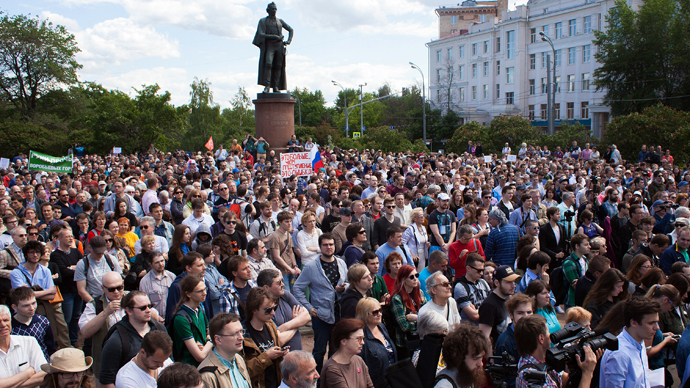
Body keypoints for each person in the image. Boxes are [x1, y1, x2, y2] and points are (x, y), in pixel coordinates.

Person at [293, 233, 347, 374]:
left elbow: (348, 283)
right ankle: (315, 378)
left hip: (338, 313)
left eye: (331, 244)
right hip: (321, 315)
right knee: (319, 350)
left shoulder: (341, 263)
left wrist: (343, 287)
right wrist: (309, 308)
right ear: (320, 247)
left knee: (336, 349)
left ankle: (331, 376)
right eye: (325, 245)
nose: (328, 247)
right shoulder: (311, 267)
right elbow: (297, 288)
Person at [100, 290, 166, 387]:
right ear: (129, 311)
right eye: (142, 308)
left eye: (149, 306)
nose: (148, 310)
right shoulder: (116, 341)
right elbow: (106, 382)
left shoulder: (160, 329)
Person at [516, 314, 598, 388]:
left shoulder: (533, 359)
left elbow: (561, 380)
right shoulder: (532, 378)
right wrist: (587, 373)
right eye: (548, 332)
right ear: (541, 339)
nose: (550, 336)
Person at [600, 297, 661, 388]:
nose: (657, 327)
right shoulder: (619, 354)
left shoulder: (640, 342)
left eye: (656, 322)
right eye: (651, 323)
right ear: (634, 323)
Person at [243, 287, 293, 388]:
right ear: (254, 310)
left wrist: (281, 354)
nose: (273, 313)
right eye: (268, 310)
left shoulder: (270, 325)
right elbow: (242, 371)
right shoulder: (242, 335)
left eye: (274, 308)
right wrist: (266, 357)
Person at [258, 269, 310, 351]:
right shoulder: (263, 309)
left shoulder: (284, 295)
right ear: (266, 287)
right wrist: (296, 324)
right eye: (278, 283)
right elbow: (279, 340)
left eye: (282, 281)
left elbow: (307, 316)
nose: (282, 284)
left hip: (297, 354)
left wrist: (283, 327)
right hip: (282, 358)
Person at [198, 312, 251, 388]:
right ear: (218, 339)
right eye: (234, 334)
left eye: (241, 332)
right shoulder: (207, 375)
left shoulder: (238, 359)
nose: (241, 337)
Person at [0, 304, 47, 387]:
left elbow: (44, 375)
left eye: (5, 320)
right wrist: (27, 373)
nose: (3, 325)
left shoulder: (30, 342)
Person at [170, 275, 213, 367]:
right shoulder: (181, 319)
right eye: (200, 291)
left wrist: (206, 344)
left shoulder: (200, 310)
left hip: (203, 365)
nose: (204, 293)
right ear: (188, 294)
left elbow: (208, 334)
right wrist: (212, 341)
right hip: (188, 368)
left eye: (205, 289)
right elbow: (199, 356)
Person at [320, 318, 374, 388]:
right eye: (358, 339)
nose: (363, 343)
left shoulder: (359, 361)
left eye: (363, 339)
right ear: (343, 341)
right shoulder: (332, 370)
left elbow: (370, 386)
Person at [357, 297, 397, 388]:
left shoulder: (381, 327)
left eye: (380, 310)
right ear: (364, 315)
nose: (379, 314)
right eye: (375, 312)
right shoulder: (360, 336)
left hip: (391, 380)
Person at [433, 323, 490, 388]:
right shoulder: (444, 385)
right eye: (475, 358)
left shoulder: (466, 376)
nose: (480, 364)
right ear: (458, 357)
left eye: (481, 358)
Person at [253, 2, 293, 93]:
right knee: (268, 64)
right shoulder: (263, 21)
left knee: (278, 66)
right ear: (268, 11)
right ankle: (267, 86)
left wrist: (288, 41)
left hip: (279, 46)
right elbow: (261, 34)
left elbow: (291, 29)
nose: (274, 11)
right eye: (272, 9)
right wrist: (273, 37)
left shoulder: (280, 21)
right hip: (270, 46)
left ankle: (275, 86)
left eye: (275, 9)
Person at [478, 265, 518, 352]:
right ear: (497, 283)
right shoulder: (489, 305)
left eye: (513, 282)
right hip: (498, 353)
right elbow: (484, 337)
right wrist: (492, 360)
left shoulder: (508, 297)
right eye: (508, 282)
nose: (513, 285)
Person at [9, 286, 55, 360]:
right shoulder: (8, 326)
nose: (32, 308)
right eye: (26, 305)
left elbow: (51, 347)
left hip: (43, 364)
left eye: (33, 303)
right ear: (14, 307)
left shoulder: (43, 321)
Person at [390, 264, 426, 357]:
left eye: (416, 275)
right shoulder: (397, 298)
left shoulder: (420, 294)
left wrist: (417, 318)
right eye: (411, 277)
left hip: (421, 340)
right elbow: (404, 326)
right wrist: (422, 322)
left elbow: (428, 317)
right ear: (403, 279)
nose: (415, 279)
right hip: (405, 344)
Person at [494, 293, 533, 379]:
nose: (526, 317)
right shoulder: (504, 343)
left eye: (529, 312)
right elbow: (504, 378)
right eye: (520, 313)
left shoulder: (535, 335)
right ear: (511, 315)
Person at [454, 253, 491, 324]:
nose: (481, 273)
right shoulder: (460, 286)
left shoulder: (483, 282)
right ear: (468, 268)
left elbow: (493, 306)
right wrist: (486, 307)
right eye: (478, 270)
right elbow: (474, 316)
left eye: (482, 270)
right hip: (469, 329)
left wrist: (478, 310)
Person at [139, 252, 176, 321]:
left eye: (162, 261)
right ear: (151, 264)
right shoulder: (145, 281)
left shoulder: (172, 276)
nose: (161, 264)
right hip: (156, 320)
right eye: (157, 262)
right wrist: (156, 317)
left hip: (172, 317)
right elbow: (144, 304)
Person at [219, 255, 257, 321]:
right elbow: (228, 321)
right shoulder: (227, 294)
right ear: (234, 273)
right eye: (244, 269)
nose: (249, 270)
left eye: (248, 267)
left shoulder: (253, 285)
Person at [267, 211, 299, 288]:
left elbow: (291, 251)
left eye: (290, 221)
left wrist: (294, 266)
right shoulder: (275, 236)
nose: (289, 224)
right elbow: (276, 257)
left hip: (291, 269)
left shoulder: (288, 234)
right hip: (281, 271)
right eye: (286, 221)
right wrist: (290, 269)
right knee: (285, 293)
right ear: (280, 223)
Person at [563, 233, 591, 307]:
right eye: (586, 245)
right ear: (577, 246)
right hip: (573, 301)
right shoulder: (569, 263)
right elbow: (575, 285)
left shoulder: (584, 259)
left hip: (583, 298)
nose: (589, 247)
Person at [402, 208, 430, 272]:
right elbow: (403, 242)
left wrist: (427, 244)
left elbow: (422, 241)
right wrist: (411, 254)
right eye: (420, 216)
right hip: (414, 257)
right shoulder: (410, 228)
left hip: (423, 255)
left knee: (421, 273)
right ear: (415, 218)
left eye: (423, 215)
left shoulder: (423, 228)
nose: (423, 217)